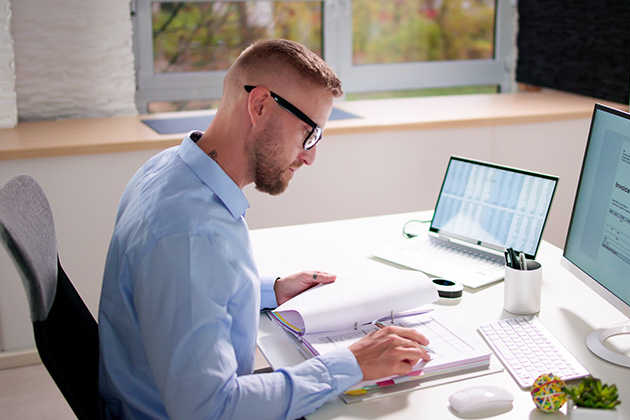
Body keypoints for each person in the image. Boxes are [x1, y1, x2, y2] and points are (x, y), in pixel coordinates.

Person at [97, 39, 431, 420]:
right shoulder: (190, 235)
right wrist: (352, 362)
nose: (310, 155)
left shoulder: (169, 169)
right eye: (309, 133)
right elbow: (210, 410)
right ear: (259, 106)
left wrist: (269, 290)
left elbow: (186, 289)